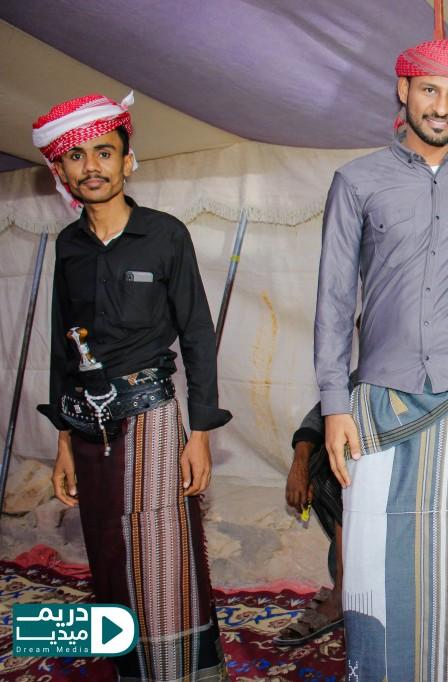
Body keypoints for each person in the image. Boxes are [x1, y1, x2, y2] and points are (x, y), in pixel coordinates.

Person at [313, 39, 448, 678]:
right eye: (429, 90)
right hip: (382, 395)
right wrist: (333, 405)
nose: (442, 106)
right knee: (379, 554)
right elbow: (333, 300)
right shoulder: (356, 181)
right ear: (403, 90)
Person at [34, 93, 231, 680]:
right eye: (76, 157)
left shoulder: (165, 235)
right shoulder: (68, 246)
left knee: (160, 552)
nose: (91, 166)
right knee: (106, 550)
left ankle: (181, 670)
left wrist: (200, 433)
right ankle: (130, 669)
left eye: (104, 152)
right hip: (85, 423)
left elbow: (198, 335)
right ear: (61, 170)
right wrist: (63, 441)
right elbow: (62, 344)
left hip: (151, 417)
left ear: (127, 160)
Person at [272, 402, 345, 646]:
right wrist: (301, 464)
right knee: (335, 468)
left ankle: (345, 595)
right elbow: (321, 413)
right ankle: (342, 592)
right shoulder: (359, 385)